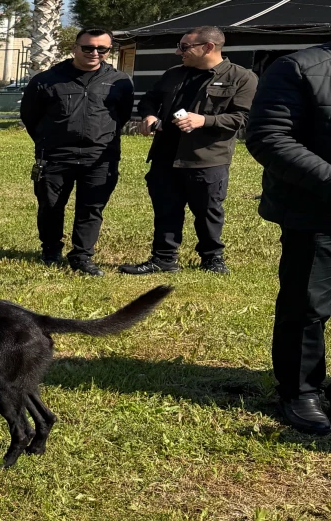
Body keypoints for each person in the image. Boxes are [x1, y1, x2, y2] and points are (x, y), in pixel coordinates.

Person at [121, 26, 257, 276]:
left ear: (208, 47)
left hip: (206, 157)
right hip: (166, 155)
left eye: (184, 47)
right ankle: (163, 259)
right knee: (166, 209)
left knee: (208, 211)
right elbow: (150, 98)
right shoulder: (174, 74)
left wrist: (204, 121)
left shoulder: (241, 77)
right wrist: (149, 115)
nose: (178, 52)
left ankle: (212, 258)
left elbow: (243, 119)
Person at [245, 41, 331, 435]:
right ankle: (300, 391)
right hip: (314, 211)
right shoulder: (298, 67)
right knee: (307, 305)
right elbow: (269, 137)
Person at [19, 28, 134, 276]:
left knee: (91, 207)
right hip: (56, 156)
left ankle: (82, 256)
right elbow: (30, 117)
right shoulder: (46, 80)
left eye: (101, 49)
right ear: (75, 48)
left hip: (100, 157)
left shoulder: (120, 81)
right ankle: (50, 250)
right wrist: (48, 142)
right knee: (50, 205)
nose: (94, 53)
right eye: (88, 48)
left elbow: (121, 116)